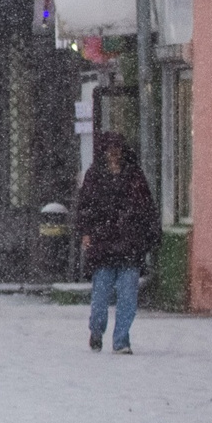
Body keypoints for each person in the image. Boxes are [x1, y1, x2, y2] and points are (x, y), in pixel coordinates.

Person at [75, 130, 159, 353]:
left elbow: (146, 208)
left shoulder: (134, 176)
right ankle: (96, 329)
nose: (113, 155)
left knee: (128, 298)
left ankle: (121, 340)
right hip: (104, 247)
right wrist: (86, 231)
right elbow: (85, 206)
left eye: (117, 150)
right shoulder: (95, 175)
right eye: (110, 150)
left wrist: (147, 235)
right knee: (100, 297)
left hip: (129, 246)